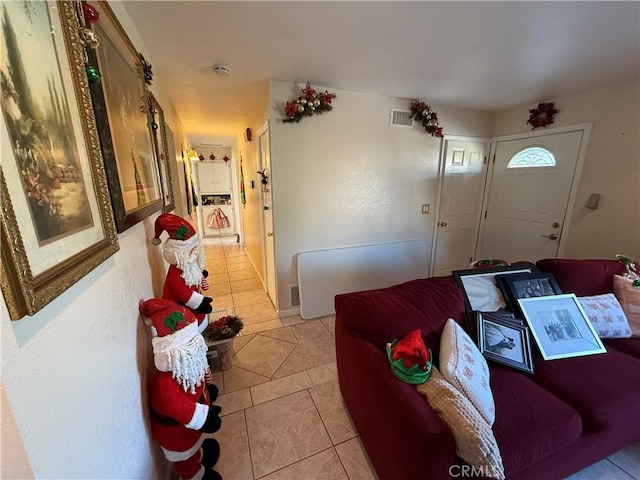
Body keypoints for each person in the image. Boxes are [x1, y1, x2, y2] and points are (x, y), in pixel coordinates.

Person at [140, 298, 222, 480]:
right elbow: (179, 407)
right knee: (187, 462)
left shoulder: (187, 368)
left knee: (194, 449)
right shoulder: (166, 382)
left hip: (191, 428)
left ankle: (199, 454)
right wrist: (204, 418)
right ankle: (196, 475)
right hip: (178, 433)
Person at [151, 213, 213, 334]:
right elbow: (183, 293)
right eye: (191, 249)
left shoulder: (187, 266)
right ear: (178, 253)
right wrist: (200, 303)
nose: (195, 251)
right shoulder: (176, 273)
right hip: (183, 310)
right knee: (190, 330)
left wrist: (200, 274)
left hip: (190, 307)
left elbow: (191, 275)